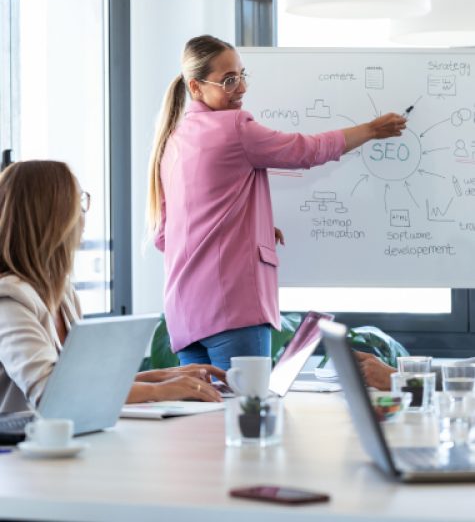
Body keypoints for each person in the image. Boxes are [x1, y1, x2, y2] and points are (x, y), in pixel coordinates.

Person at [147, 34, 407, 370]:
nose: (241, 88)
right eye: (229, 80)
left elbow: (166, 235)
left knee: (203, 418)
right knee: (249, 415)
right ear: (196, 88)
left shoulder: (173, 139)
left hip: (184, 315)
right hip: (232, 311)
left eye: (242, 75)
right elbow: (305, 150)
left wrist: (249, 229)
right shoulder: (234, 127)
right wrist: (371, 129)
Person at [0, 160, 224, 414]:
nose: (84, 212)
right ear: (53, 215)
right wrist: (160, 390)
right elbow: (51, 391)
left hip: (64, 440)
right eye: (79, 201)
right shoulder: (9, 300)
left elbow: (86, 383)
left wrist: (164, 376)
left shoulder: (62, 293)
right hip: (19, 450)